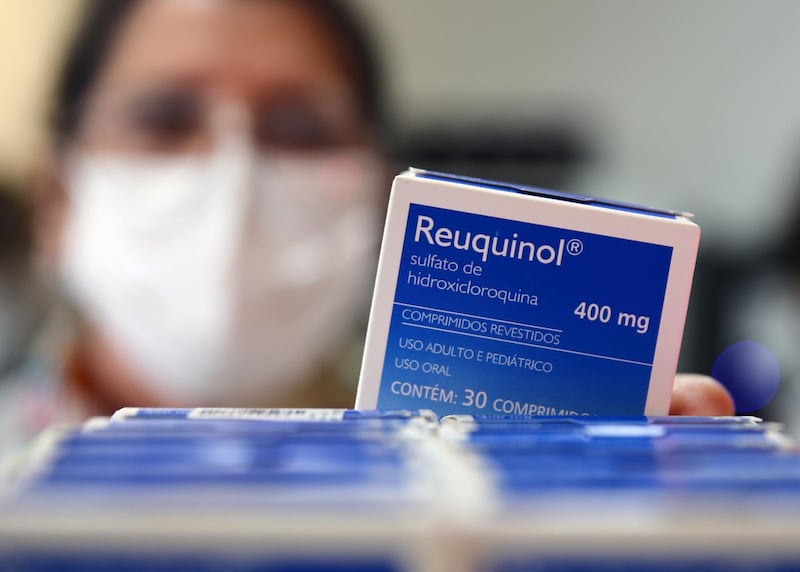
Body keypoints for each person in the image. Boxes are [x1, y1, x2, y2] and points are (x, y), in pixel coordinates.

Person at [2, 0, 731, 451]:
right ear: (57, 200)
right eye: (163, 119)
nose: (234, 174)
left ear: (382, 199)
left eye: (300, 127)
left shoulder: (475, 463)